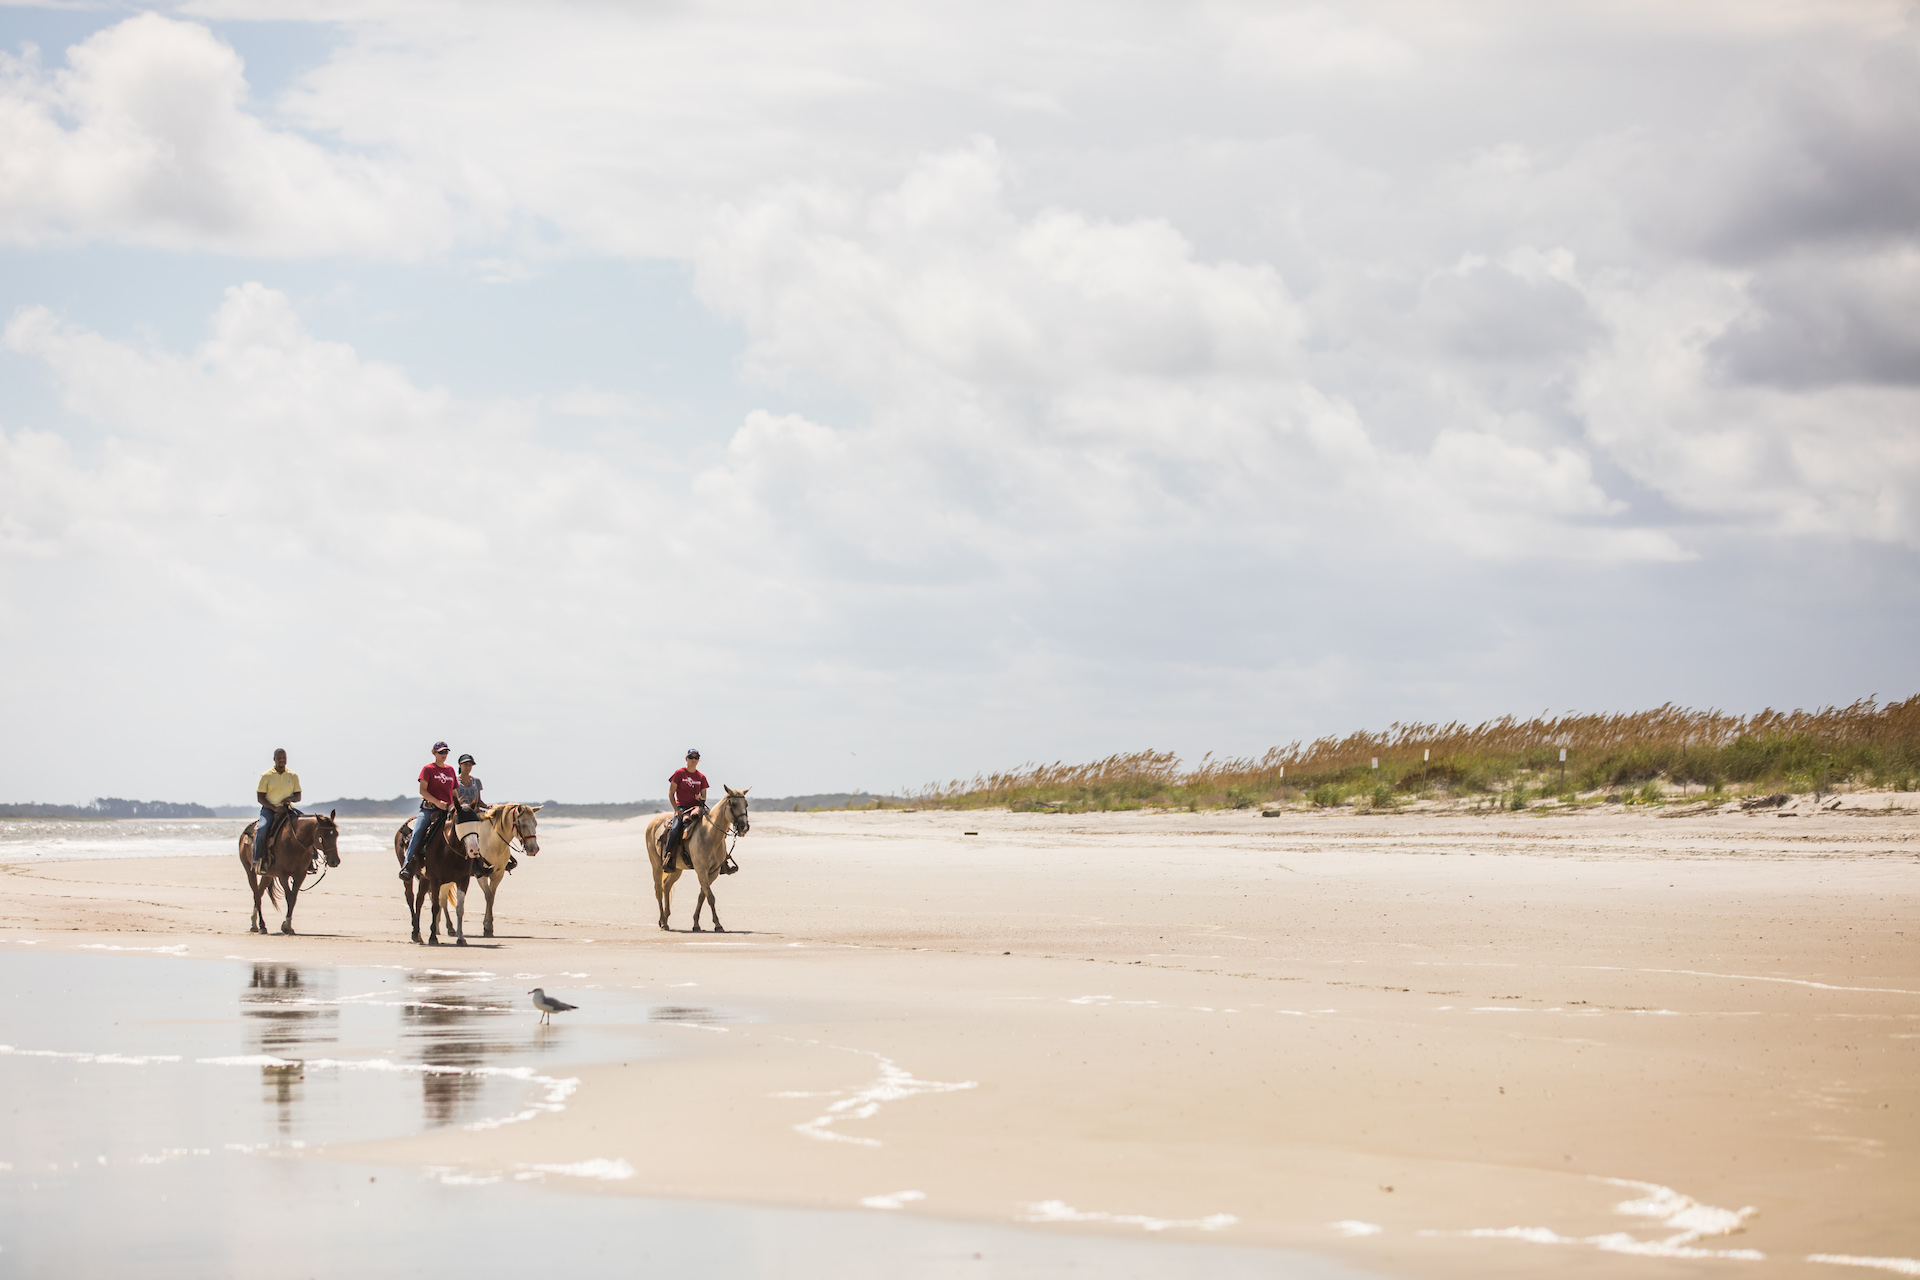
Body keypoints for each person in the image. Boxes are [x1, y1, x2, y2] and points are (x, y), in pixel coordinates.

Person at [400, 741, 458, 880]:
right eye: (441, 752)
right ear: (434, 753)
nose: (444, 755)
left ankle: (475, 862)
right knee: (418, 832)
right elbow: (423, 791)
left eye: (446, 752)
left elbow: (454, 793)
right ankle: (407, 865)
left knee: (468, 829)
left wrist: (459, 806)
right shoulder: (428, 769)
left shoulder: (450, 770)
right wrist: (438, 803)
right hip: (429, 810)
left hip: (449, 810)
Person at [454, 753, 506, 877]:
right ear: (460, 765)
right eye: (465, 764)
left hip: (475, 813)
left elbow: (479, 800)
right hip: (461, 814)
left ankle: (504, 858)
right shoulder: (455, 781)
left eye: (470, 765)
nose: (468, 767)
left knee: (496, 826)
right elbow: (453, 799)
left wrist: (487, 807)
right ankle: (476, 862)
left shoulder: (476, 781)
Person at [254, 748, 302, 872]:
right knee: (262, 828)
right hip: (269, 809)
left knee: (310, 825)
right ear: (274, 759)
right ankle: (258, 859)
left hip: (288, 809)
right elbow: (260, 798)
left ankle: (311, 858)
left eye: (284, 758)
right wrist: (274, 808)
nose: (282, 760)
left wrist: (290, 798)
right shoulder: (266, 776)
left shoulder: (293, 775)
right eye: (279, 758)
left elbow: (298, 796)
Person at [663, 749, 709, 868]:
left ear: (698, 760)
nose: (693, 760)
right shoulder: (679, 774)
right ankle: (667, 856)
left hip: (697, 808)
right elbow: (671, 794)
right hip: (682, 808)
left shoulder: (701, 777)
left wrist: (700, 798)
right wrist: (676, 810)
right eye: (691, 757)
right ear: (686, 759)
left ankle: (722, 859)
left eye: (696, 758)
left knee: (714, 826)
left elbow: (704, 798)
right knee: (675, 829)